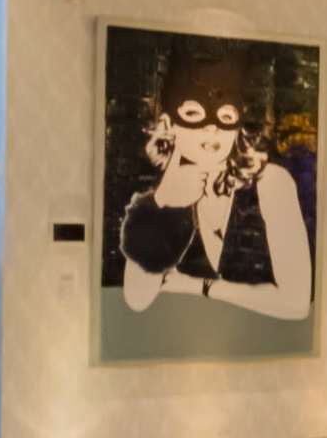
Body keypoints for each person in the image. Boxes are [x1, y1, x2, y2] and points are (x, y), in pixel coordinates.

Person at [118, 71, 313, 323]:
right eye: (193, 113)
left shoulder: (271, 182)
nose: (211, 127)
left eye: (226, 115)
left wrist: (201, 287)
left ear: (238, 128)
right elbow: (136, 298)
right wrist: (163, 202)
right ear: (170, 125)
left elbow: (296, 303)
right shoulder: (163, 193)